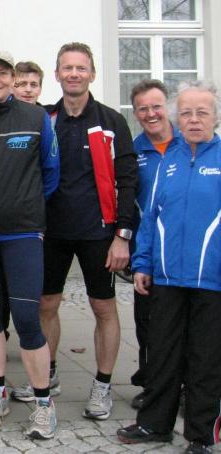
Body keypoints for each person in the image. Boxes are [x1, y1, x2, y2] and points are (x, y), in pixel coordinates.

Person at [31, 42, 137, 420]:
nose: (74, 74)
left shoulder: (112, 121)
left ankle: (103, 385)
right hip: (51, 231)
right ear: (57, 74)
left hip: (99, 232)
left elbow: (128, 179)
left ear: (92, 73)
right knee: (46, 305)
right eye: (67, 68)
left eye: (81, 68)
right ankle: (48, 375)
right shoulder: (44, 118)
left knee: (103, 307)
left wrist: (123, 235)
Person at [117, 81, 221, 454]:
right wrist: (143, 263)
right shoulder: (170, 160)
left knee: (205, 360)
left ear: (215, 117)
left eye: (202, 112)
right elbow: (150, 217)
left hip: (212, 281)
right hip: (166, 278)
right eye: (186, 113)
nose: (193, 119)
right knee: (161, 354)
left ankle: (201, 436)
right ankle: (155, 424)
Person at [0, 50, 60, 439]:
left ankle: (43, 403)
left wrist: (27, 208)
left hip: (22, 233)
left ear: (12, 78)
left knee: (26, 318)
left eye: (2, 73)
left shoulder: (36, 119)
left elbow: (51, 173)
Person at [126, 79, 181, 409]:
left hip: (185, 252)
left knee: (187, 325)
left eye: (156, 106)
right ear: (135, 113)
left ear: (168, 107)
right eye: (143, 109)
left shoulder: (191, 144)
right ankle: (152, 383)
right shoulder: (133, 152)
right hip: (148, 253)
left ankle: (186, 386)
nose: (151, 114)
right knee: (148, 324)